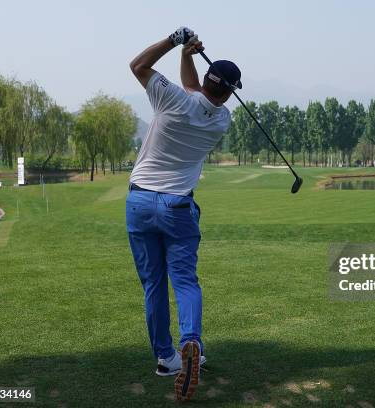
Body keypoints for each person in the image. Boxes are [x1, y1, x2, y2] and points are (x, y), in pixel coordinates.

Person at [126, 26, 241, 401]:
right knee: (186, 282)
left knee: (154, 285)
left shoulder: (170, 99)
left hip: (141, 203)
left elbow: (138, 65)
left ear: (208, 81)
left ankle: (166, 358)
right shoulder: (222, 120)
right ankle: (192, 343)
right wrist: (187, 55)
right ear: (229, 92)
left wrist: (175, 42)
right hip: (178, 207)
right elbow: (201, 94)